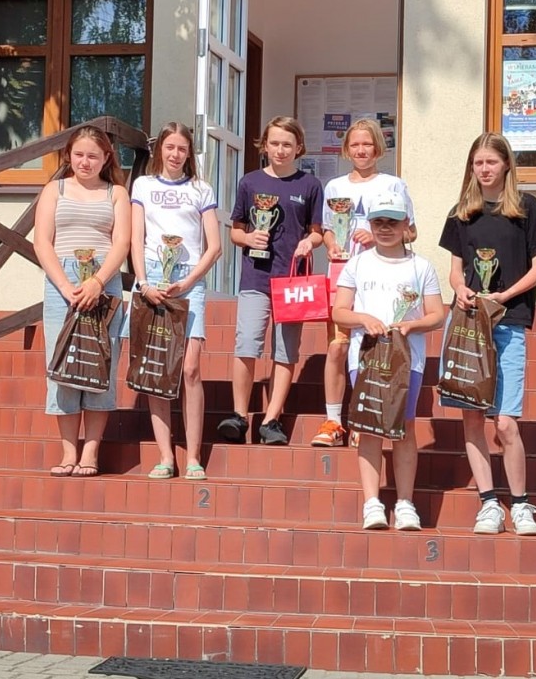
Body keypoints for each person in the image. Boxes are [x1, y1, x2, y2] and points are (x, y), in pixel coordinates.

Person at [438, 132, 536, 536]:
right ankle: (488, 503)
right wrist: (460, 289)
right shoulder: (461, 213)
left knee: (504, 423)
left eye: (491, 162)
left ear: (506, 165)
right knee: (472, 418)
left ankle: (520, 505)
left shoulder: (526, 208)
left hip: (509, 322)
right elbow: (455, 269)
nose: (484, 169)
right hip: (468, 326)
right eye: (478, 163)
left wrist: (504, 295)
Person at [332, 193, 444, 531]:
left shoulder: (421, 266)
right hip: (365, 357)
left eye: (392, 221)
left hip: (407, 360)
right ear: (370, 224)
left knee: (404, 428)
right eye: (379, 221)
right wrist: (363, 318)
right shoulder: (357, 263)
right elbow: (339, 312)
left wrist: (411, 325)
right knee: (368, 428)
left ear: (406, 224)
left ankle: (405, 503)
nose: (385, 228)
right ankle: (372, 502)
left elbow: (437, 314)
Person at [216, 116, 324, 445]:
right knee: (247, 343)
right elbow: (235, 230)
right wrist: (249, 238)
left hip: (291, 280)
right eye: (274, 143)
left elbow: (317, 232)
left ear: (299, 148)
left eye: (287, 144)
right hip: (256, 277)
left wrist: (309, 242)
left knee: (285, 350)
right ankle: (239, 415)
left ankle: (271, 419)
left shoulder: (310, 185)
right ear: (264, 145)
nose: (280, 150)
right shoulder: (250, 182)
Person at [311, 118, 418, 449]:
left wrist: (377, 236)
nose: (361, 150)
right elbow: (328, 229)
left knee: (373, 345)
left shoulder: (394, 185)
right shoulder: (334, 187)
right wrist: (332, 245)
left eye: (367, 144)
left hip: (381, 277)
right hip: (343, 275)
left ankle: (364, 416)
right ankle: (333, 420)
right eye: (355, 144)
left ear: (378, 148)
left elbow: (412, 232)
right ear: (346, 149)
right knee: (338, 346)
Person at [34, 125, 132, 477]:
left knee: (99, 365)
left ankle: (90, 452)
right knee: (62, 365)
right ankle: (68, 452)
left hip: (104, 282)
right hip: (62, 282)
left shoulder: (117, 193)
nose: (85, 162)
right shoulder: (54, 190)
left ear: (106, 158)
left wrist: (97, 281)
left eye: (93, 155)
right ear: (68, 156)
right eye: (79, 154)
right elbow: (42, 242)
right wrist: (66, 286)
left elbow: (122, 242)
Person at [130, 121, 222, 480]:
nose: (175, 154)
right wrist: (142, 283)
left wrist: (188, 280)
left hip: (188, 279)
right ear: (160, 150)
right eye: (169, 147)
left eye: (182, 148)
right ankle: (166, 456)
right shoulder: (143, 185)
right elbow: (136, 239)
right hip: (151, 278)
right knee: (157, 369)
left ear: (189, 153)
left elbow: (214, 247)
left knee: (190, 368)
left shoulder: (201, 188)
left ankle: (194, 456)